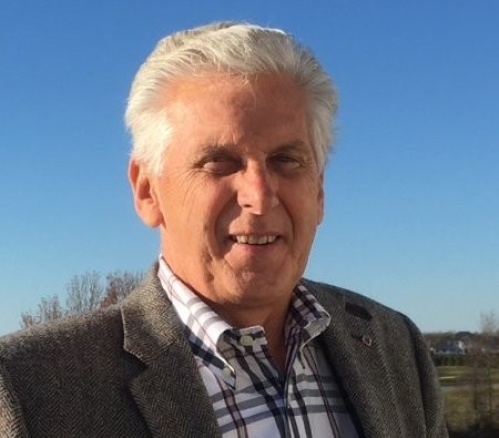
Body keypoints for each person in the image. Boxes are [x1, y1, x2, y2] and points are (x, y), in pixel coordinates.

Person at [0, 22, 447, 438]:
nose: (259, 195)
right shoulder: (30, 389)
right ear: (147, 192)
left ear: (320, 192)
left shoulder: (393, 345)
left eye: (287, 161)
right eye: (219, 162)